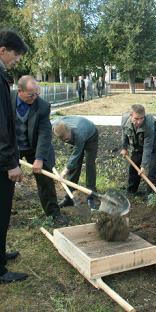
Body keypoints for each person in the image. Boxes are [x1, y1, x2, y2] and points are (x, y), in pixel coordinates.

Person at [12, 75, 68, 226]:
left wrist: (40, 158)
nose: (35, 97)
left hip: (35, 146)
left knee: (45, 180)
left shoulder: (42, 106)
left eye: (37, 93)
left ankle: (53, 213)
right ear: (20, 91)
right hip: (12, 146)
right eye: (31, 94)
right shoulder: (5, 99)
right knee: (7, 178)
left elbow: (45, 133)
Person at [0, 28, 28, 283]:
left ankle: (0, 255)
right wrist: (11, 163)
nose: (16, 61)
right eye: (15, 56)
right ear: (3, 50)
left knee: (4, 211)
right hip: (0, 162)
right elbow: (0, 127)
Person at [52, 116, 98, 210]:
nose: (67, 141)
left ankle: (91, 196)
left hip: (91, 135)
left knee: (90, 165)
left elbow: (76, 155)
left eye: (68, 138)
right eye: (64, 140)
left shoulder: (79, 134)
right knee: (74, 167)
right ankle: (68, 198)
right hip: (77, 134)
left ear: (70, 130)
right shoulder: (55, 125)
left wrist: (64, 171)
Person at [120, 104, 156, 194]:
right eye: (136, 118)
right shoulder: (124, 119)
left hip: (153, 143)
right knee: (134, 165)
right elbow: (125, 133)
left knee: (152, 168)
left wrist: (143, 166)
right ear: (131, 115)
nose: (139, 122)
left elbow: (148, 146)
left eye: (141, 118)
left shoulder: (149, 124)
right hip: (137, 142)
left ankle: (151, 194)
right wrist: (124, 147)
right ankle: (131, 191)